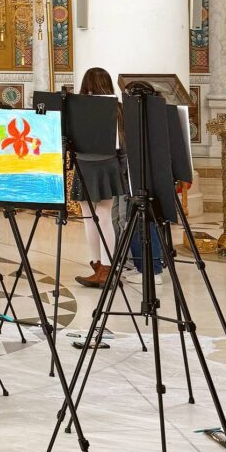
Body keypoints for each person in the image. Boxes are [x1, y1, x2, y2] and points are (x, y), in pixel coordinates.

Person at [73, 68, 127, 290]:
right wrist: (122, 168)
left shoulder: (77, 108)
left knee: (89, 217)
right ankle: (104, 267)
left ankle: (99, 266)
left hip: (84, 164)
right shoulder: (116, 108)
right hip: (107, 164)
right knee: (104, 216)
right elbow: (123, 143)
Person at [120, 80, 164, 286]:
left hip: (144, 178)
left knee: (144, 222)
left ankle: (152, 270)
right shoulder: (154, 118)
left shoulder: (146, 120)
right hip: (143, 176)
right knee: (139, 221)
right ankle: (143, 267)